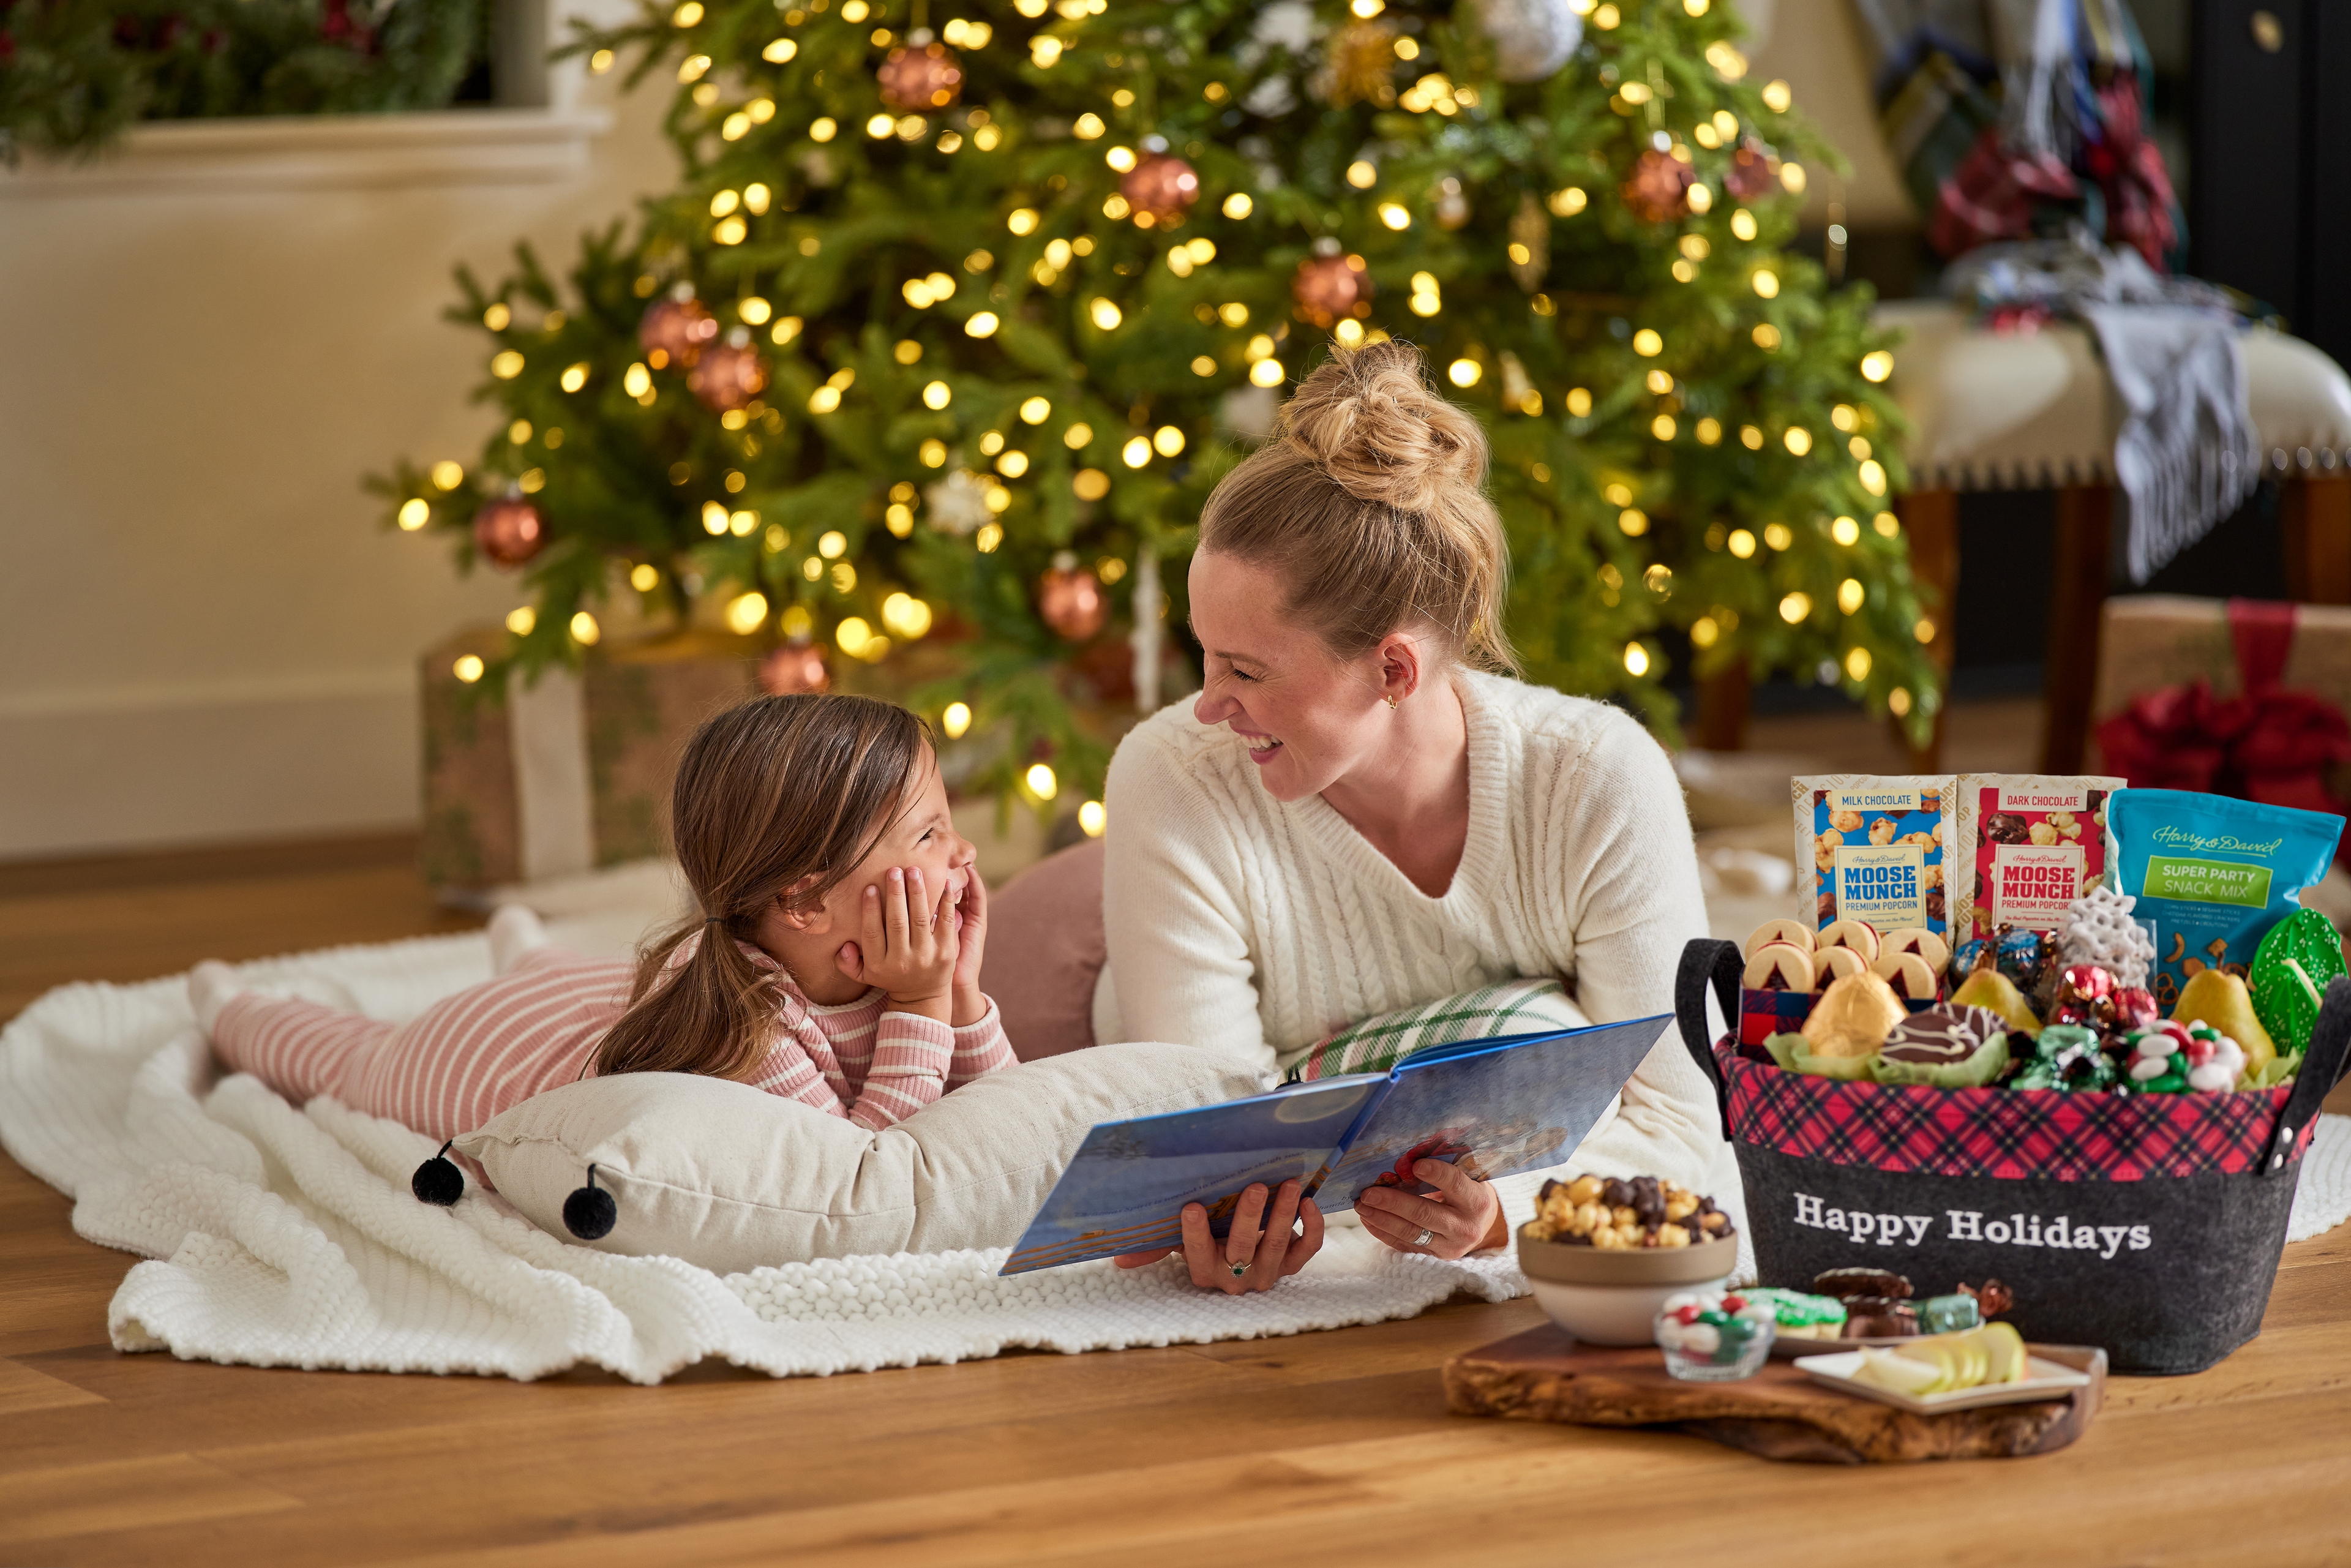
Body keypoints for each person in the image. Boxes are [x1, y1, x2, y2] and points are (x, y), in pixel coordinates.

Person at [1100, 340, 1722, 1294]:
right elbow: (1215, 1156)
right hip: (1096, 982)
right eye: (1205, 655)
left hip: (1378, 1134)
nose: (1209, 705)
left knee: (1545, 1025)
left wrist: (1503, 1217)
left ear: (1393, 670)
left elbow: (1691, 1131)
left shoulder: (1597, 779)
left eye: (1248, 670)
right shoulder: (1175, 773)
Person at [192, 694, 1013, 1142]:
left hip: (605, 1001)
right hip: (490, 1051)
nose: (965, 850)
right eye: (930, 833)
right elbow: (863, 1181)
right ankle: (229, 1005)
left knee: (581, 978)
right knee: (352, 1056)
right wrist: (919, 1005)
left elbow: (1007, 1114)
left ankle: (525, 946)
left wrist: (962, 994)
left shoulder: (885, 967)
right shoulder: (752, 1040)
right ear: (803, 901)